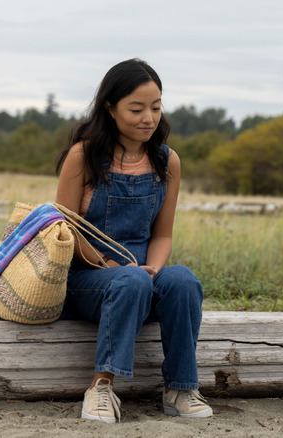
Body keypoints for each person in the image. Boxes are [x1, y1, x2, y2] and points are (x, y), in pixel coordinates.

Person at [55, 58, 212, 423]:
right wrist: (112, 266)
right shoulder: (84, 155)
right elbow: (64, 230)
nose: (148, 118)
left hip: (141, 276)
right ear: (110, 108)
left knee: (183, 280)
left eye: (156, 107)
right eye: (137, 109)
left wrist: (154, 269)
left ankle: (180, 388)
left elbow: (163, 234)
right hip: (86, 282)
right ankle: (100, 387)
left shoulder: (166, 161)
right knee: (131, 280)